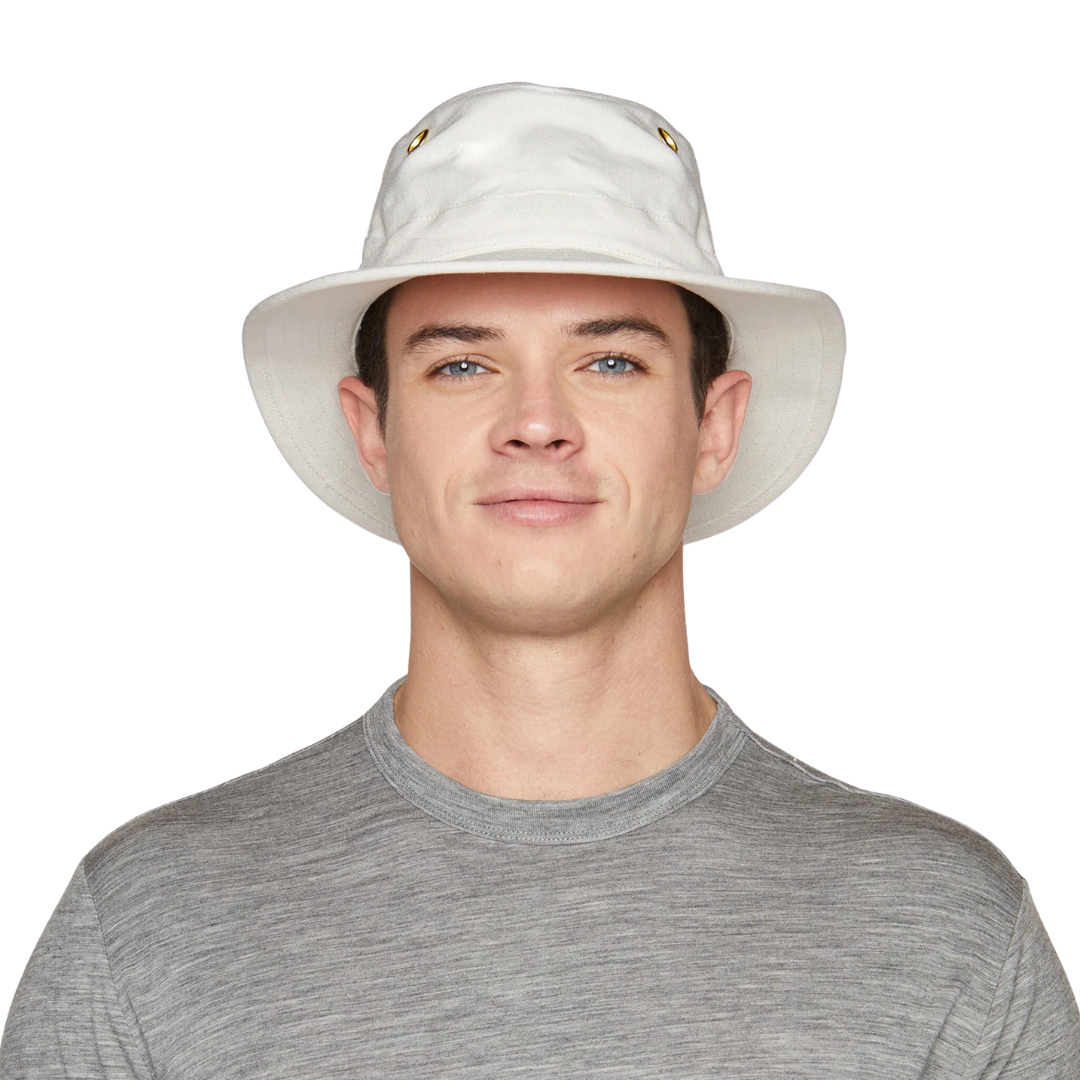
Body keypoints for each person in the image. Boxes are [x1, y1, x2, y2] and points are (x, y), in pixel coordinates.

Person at [2, 81, 1077, 1079]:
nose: (536, 423)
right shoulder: (149, 929)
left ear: (714, 426)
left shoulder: (950, 938)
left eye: (610, 361)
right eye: (462, 364)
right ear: (374, 433)